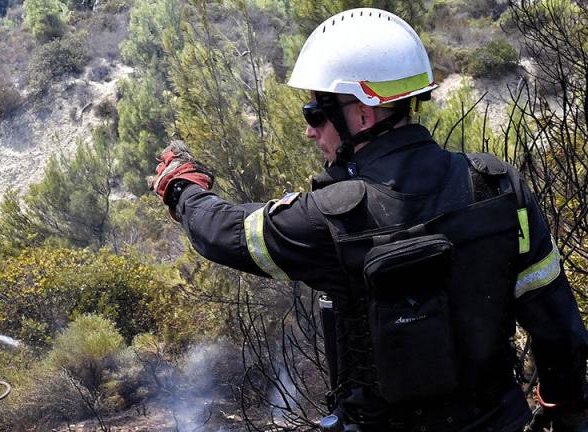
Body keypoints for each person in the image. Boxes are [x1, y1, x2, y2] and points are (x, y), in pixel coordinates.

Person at [148, 7, 588, 432]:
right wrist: (566, 407)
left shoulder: (332, 219)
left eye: (316, 112)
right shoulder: (498, 186)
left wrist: (183, 187)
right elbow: (556, 322)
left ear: (362, 112)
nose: (310, 130)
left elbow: (223, 234)